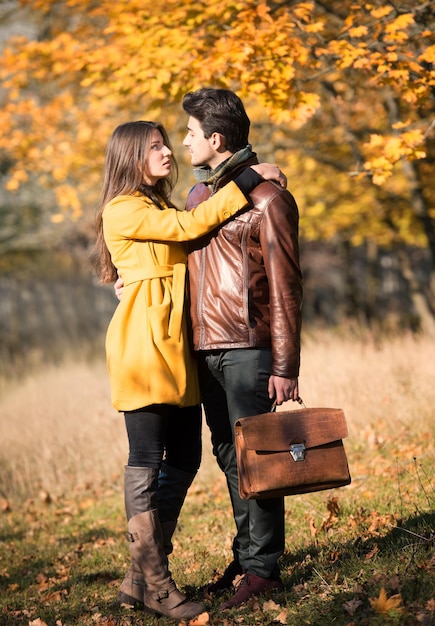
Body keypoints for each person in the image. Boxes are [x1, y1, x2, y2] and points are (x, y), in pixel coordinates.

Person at [95, 119, 287, 619]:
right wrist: (249, 178)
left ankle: (139, 578)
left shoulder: (159, 204)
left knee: (184, 457)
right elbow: (186, 231)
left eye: (166, 142)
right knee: (147, 457)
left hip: (178, 345)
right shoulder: (123, 208)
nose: (167, 151)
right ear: (131, 157)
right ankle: (156, 584)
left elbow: (187, 247)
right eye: (155, 145)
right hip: (145, 346)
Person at [182, 88, 303, 609]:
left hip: (249, 348)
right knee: (231, 457)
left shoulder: (269, 199)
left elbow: (286, 285)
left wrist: (285, 364)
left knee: (260, 460)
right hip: (204, 349)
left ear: (215, 138)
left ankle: (264, 571)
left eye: (189, 133)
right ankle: (248, 556)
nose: (183, 141)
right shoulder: (196, 199)